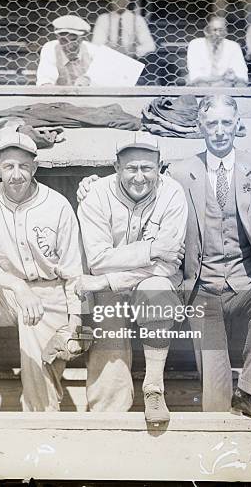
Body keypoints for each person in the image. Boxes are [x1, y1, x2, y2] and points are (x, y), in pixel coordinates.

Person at [167, 95, 251, 420]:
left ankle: (250, 394)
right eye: (212, 123)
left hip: (247, 283)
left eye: (226, 122)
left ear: (237, 124)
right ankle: (217, 451)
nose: (220, 131)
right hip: (203, 290)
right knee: (214, 387)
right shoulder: (180, 173)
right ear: (200, 127)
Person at [0, 131, 89, 426]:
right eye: (8, 166)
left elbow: (74, 271)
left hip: (49, 293)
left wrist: (76, 321)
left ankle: (43, 451)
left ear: (35, 168)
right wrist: (16, 285)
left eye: (23, 166)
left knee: (42, 394)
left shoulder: (57, 205)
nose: (16, 175)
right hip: (7, 291)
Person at [76, 133, 188, 423]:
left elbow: (170, 264)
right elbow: (99, 261)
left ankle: (153, 389)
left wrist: (109, 278)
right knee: (109, 324)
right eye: (131, 168)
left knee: (157, 290)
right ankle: (108, 420)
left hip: (146, 282)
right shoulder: (96, 194)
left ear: (160, 166)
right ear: (116, 167)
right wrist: (151, 250)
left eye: (147, 168)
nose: (139, 177)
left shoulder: (173, 192)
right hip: (108, 292)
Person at [36, 15, 143, 87]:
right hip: (58, 101)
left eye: (73, 39)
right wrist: (47, 87)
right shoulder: (50, 48)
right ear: (57, 37)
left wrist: (89, 79)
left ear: (83, 38)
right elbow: (45, 79)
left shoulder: (93, 51)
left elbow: (118, 78)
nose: (68, 45)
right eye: (63, 39)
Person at [186, 16, 248, 87]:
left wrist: (233, 77)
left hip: (227, 87)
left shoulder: (233, 46)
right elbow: (195, 75)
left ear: (226, 32)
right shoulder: (196, 45)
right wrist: (221, 78)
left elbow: (241, 73)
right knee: (200, 84)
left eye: (221, 30)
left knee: (240, 84)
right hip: (203, 86)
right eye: (214, 30)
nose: (218, 34)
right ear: (207, 31)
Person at [92, 0, 156, 59]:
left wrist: (133, 50)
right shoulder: (103, 19)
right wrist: (110, 50)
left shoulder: (137, 20)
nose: (113, 2)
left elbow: (150, 45)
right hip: (109, 59)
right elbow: (96, 44)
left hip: (130, 61)